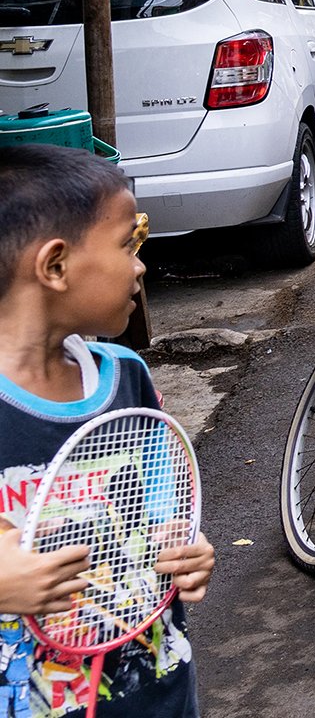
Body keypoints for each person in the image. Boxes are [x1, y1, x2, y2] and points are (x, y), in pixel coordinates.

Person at [0, 146, 216, 716]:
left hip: (160, 696)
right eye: (127, 244)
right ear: (54, 266)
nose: (140, 265)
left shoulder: (129, 379)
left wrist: (187, 551)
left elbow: (165, 518)